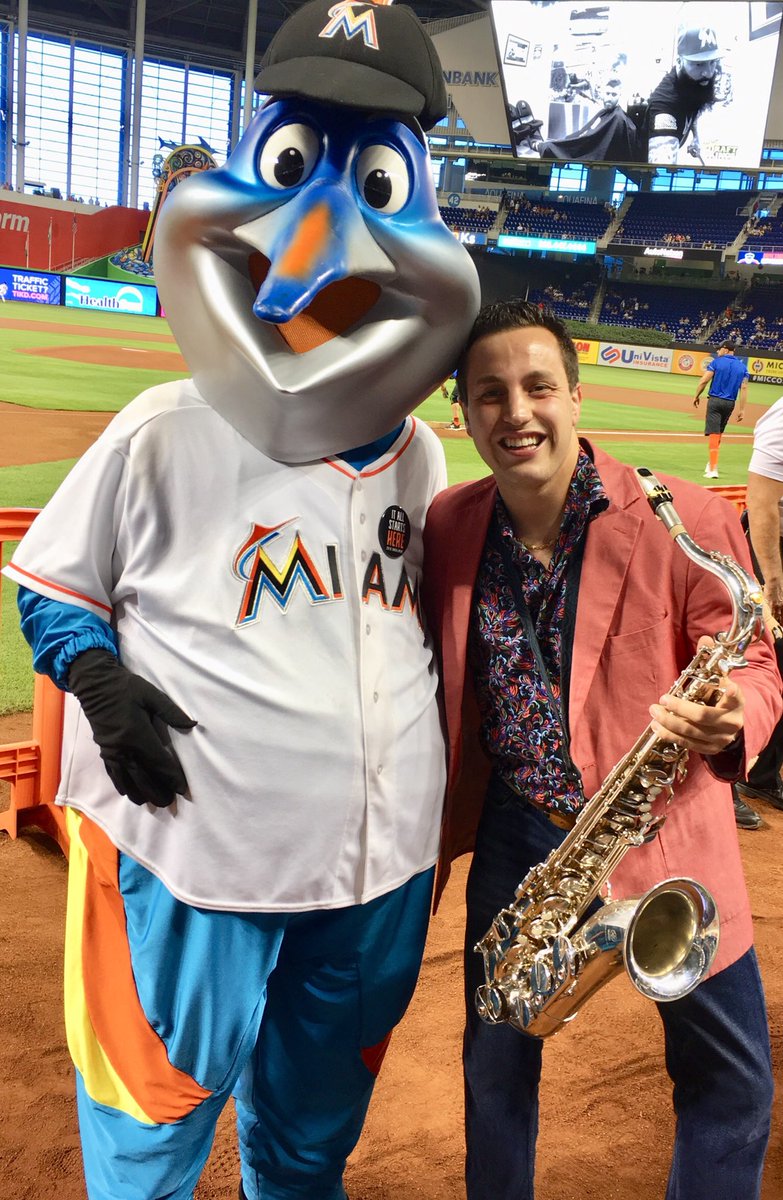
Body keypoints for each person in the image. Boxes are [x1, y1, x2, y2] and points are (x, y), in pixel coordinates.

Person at [2, 4, 480, 1198]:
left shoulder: (423, 458)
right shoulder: (163, 428)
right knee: (151, 1121)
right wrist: (96, 682)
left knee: (312, 1138)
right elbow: (53, 590)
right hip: (195, 861)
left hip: (375, 878)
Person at [422, 299, 780, 1200]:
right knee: (494, 1066)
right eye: (489, 393)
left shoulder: (679, 515)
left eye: (538, 386)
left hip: (664, 831)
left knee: (730, 1083)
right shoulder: (450, 524)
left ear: (574, 398)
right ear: (463, 411)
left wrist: (736, 710)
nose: (516, 412)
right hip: (520, 836)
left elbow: (754, 658)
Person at [733, 396, 783, 823]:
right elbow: (763, 502)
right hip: (773, 554)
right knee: (751, 662)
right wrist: (773, 581)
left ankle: (762, 775)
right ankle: (725, 779)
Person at [645, 21, 723, 165]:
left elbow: (695, 104)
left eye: (712, 62)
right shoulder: (664, 107)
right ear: (679, 62)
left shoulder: (690, 84)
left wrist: (695, 136)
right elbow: (662, 168)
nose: (708, 73)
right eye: (698, 64)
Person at [693, 339, 748, 478]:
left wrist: (696, 395)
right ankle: (711, 462)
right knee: (719, 433)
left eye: (719, 349)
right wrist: (742, 409)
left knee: (714, 433)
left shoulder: (716, 362)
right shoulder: (742, 367)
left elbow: (704, 380)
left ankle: (713, 469)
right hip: (730, 403)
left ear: (726, 349)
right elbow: (744, 388)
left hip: (715, 401)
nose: (717, 351)